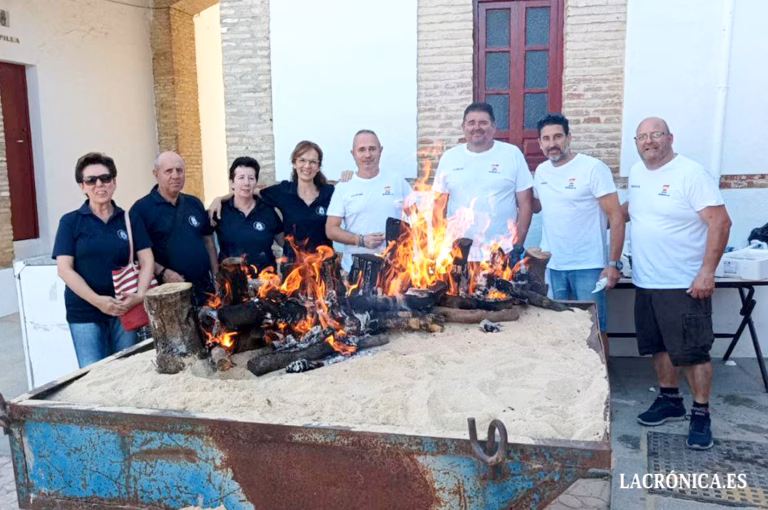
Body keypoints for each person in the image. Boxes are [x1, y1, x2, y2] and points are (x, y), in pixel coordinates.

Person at [622, 117, 731, 450]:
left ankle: (701, 414)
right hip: (646, 280)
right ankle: (670, 400)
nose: (649, 141)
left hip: (683, 283)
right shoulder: (638, 173)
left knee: (693, 353)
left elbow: (721, 223)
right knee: (659, 346)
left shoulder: (691, 174)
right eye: (642, 136)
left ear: (670, 137)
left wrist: (707, 271)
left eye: (656, 135)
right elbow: (631, 212)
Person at [53, 152, 155, 368]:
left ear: (114, 182)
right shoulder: (70, 222)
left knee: (125, 369)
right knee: (92, 373)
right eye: (91, 180)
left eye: (105, 178)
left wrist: (140, 295)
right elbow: (64, 269)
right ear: (82, 186)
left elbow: (147, 260)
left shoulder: (129, 219)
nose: (99, 184)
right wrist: (98, 301)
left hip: (124, 308)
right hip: (85, 312)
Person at [532, 113, 625, 335]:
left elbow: (617, 216)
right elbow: (533, 205)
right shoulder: (541, 172)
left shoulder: (592, 168)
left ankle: (602, 371)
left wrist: (613, 263)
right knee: (560, 330)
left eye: (558, 137)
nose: (552, 144)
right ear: (540, 143)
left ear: (569, 138)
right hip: (553, 266)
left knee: (594, 330)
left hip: (588, 266)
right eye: (546, 139)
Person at [432, 102, 534, 262]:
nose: (477, 127)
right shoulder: (450, 157)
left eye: (483, 122)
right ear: (463, 127)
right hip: (458, 255)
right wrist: (438, 246)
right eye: (471, 122)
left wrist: (517, 245)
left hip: (501, 254)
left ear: (493, 127)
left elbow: (526, 204)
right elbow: (438, 207)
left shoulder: (512, 154)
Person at [209, 141, 335, 266]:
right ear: (294, 163)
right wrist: (219, 199)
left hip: (324, 267)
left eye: (313, 162)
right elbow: (249, 190)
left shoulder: (330, 193)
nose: (307, 166)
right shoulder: (282, 191)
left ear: (318, 166)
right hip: (294, 270)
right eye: (302, 160)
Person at [130, 151, 218, 304]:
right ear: (156, 174)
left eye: (179, 170)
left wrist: (217, 278)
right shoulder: (140, 210)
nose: (175, 175)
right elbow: (137, 254)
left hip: (204, 291)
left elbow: (209, 243)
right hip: (168, 296)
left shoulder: (194, 203)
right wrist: (162, 272)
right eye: (168, 171)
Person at [326, 129, 412, 272]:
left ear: (381, 150)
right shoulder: (344, 187)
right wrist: (361, 240)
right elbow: (331, 229)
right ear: (353, 153)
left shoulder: (397, 182)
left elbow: (418, 217)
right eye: (361, 150)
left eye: (372, 149)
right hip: (356, 272)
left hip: (395, 271)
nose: (367, 155)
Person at [213, 156, 283, 274]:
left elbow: (284, 242)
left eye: (251, 178)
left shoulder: (267, 211)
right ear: (232, 183)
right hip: (231, 283)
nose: (246, 183)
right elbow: (207, 244)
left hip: (265, 284)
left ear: (256, 182)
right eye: (241, 178)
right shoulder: (220, 211)